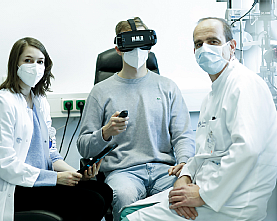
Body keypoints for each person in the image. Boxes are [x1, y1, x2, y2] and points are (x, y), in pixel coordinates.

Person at [118, 17, 277, 221]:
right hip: (208, 189)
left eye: (213, 41)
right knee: (127, 210)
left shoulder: (244, 85)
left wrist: (202, 194)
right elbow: (205, 153)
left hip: (233, 201)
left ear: (232, 46)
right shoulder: (213, 95)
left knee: (129, 217)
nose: (205, 49)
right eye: (198, 44)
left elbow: (247, 150)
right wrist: (185, 175)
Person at [77, 17, 195, 221]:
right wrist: (105, 133)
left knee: (185, 196)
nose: (138, 52)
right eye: (131, 46)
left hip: (164, 171)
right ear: (119, 49)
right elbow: (84, 147)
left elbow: (183, 135)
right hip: (123, 172)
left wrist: (184, 164)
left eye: (142, 45)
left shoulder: (167, 87)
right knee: (123, 197)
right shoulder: (101, 92)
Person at [0, 37, 112, 221]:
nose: (35, 66)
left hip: (41, 181)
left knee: (103, 190)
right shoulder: (3, 103)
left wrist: (77, 174)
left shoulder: (40, 101)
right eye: (28, 60)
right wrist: (55, 179)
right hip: (16, 188)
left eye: (40, 61)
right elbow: (4, 164)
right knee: (91, 201)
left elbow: (50, 152)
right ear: (15, 64)